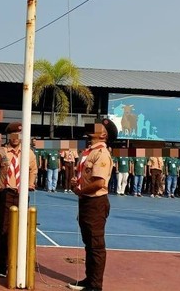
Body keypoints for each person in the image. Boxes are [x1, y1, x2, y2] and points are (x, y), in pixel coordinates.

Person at [68, 119, 117, 291]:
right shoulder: (88, 152)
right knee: (88, 242)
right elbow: (86, 177)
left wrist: (81, 190)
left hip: (95, 202)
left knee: (96, 245)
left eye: (98, 127)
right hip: (86, 201)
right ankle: (89, 279)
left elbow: (99, 183)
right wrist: (77, 182)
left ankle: (96, 285)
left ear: (103, 134)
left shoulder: (101, 153)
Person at [0, 122, 37, 278]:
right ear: (8, 136)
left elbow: (33, 170)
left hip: (22, 195)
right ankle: (3, 265)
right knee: (3, 229)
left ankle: (19, 262)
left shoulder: (29, 153)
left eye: (19, 135)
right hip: (6, 194)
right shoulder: (0, 152)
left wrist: (30, 183)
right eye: (13, 135)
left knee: (23, 228)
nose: (16, 138)